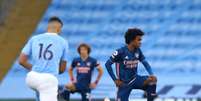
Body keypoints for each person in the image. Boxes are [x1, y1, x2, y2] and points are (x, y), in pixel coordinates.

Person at [18, 16, 68, 101]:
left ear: (47, 27)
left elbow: (21, 61)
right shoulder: (63, 42)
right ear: (59, 29)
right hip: (48, 79)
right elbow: (62, 69)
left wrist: (34, 69)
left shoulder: (34, 38)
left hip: (32, 78)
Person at [105, 28, 157, 101]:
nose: (140, 42)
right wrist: (115, 80)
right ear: (132, 40)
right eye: (139, 40)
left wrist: (152, 74)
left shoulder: (138, 51)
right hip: (124, 83)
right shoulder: (120, 52)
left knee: (152, 81)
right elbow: (107, 64)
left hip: (135, 79)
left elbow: (146, 64)